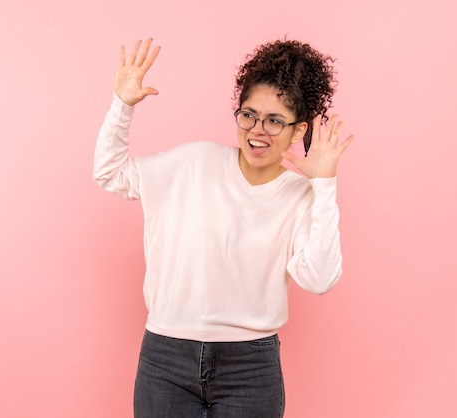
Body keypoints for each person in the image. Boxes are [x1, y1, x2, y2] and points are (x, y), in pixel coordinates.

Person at [93, 37, 354, 418]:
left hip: (251, 368)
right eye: (248, 114)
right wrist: (122, 105)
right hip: (166, 358)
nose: (257, 130)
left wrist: (324, 186)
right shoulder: (193, 162)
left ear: (299, 131)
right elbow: (110, 173)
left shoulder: (301, 195)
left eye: (274, 120)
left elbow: (320, 279)